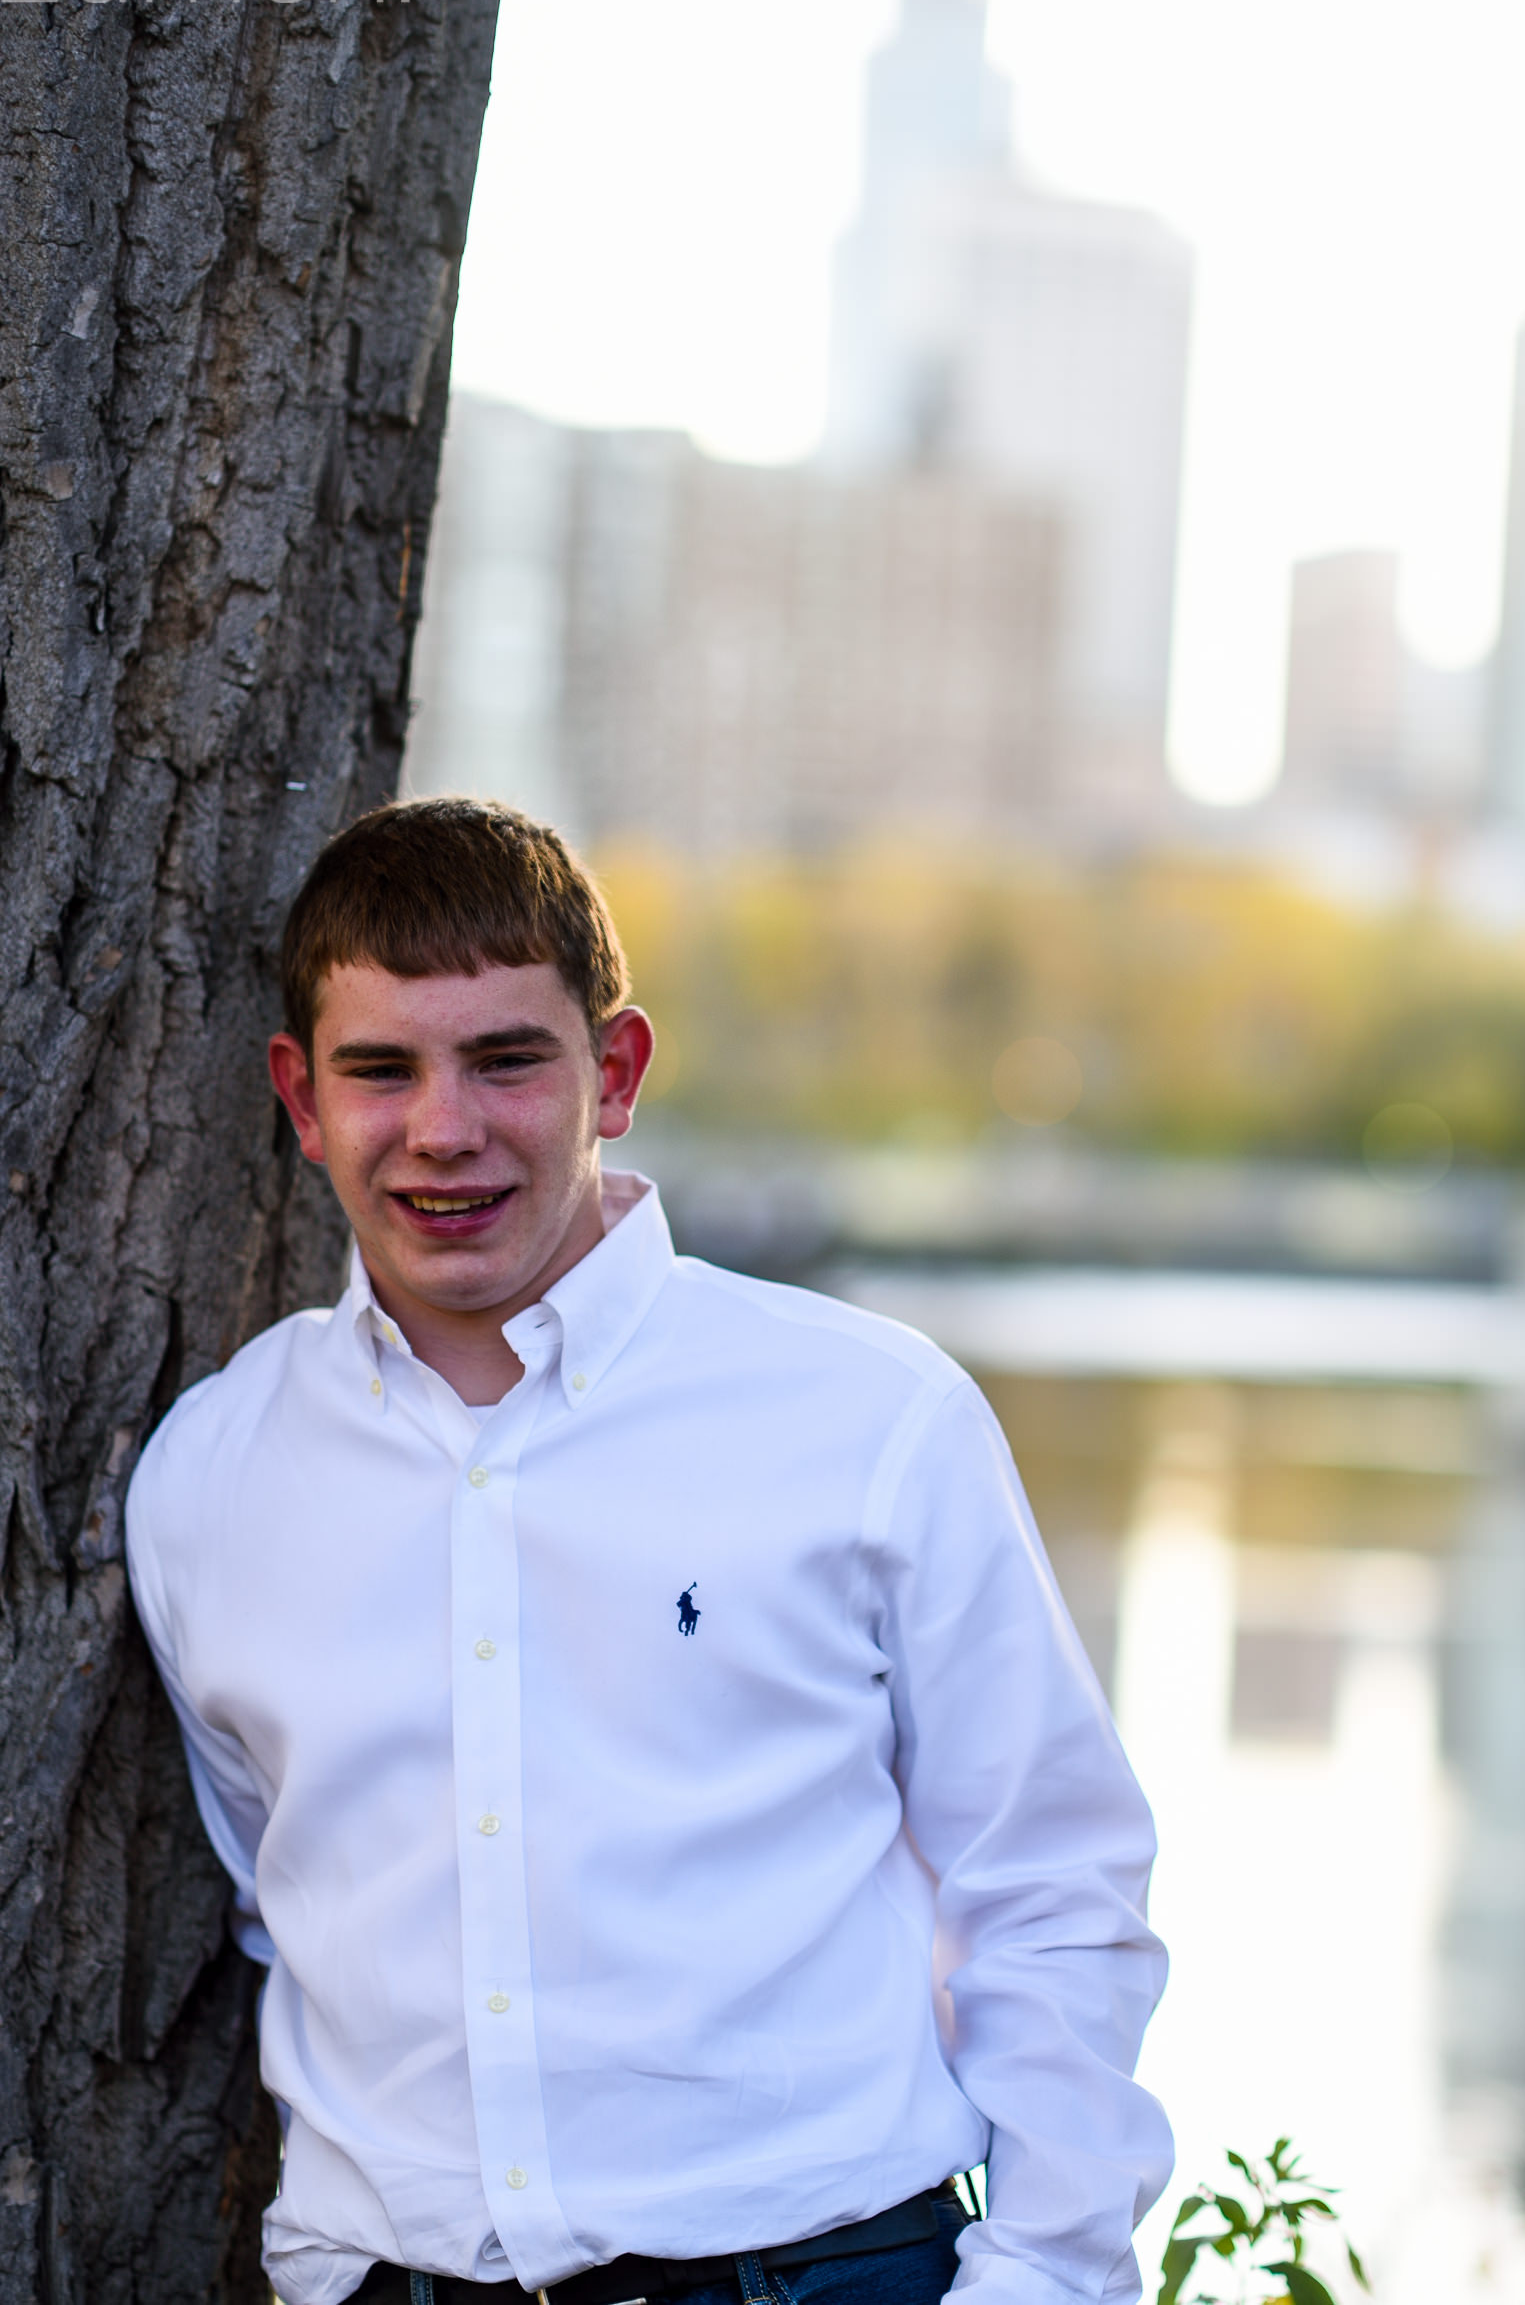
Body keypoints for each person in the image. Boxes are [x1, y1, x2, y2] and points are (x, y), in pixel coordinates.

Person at [125, 796, 1172, 2305]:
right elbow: (274, 1896)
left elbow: (1056, 1887)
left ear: (613, 1070)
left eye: (506, 1058)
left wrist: (1041, 2279)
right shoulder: (212, 1475)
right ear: (301, 1095)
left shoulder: (870, 1418)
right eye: (381, 1069)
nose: (444, 1128)